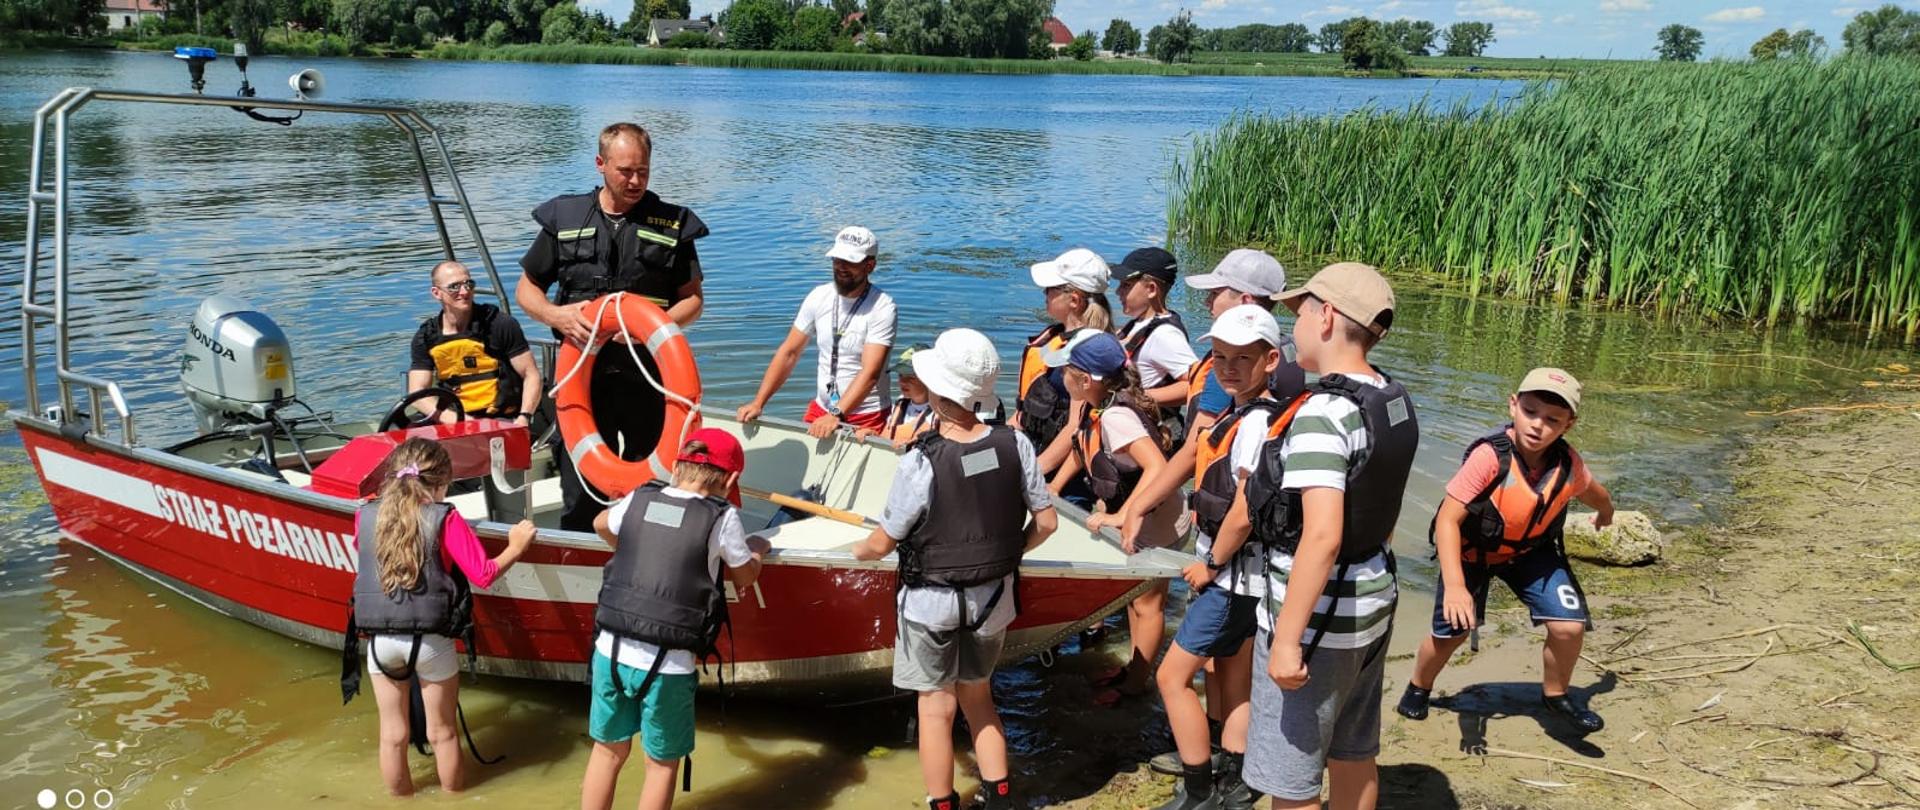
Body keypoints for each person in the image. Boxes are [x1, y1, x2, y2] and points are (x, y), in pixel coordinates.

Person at [852, 328, 1059, 810]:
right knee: (979, 699)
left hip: (931, 604)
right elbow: (1046, 522)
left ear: (938, 391)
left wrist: (856, 549)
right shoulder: (1016, 444)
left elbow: (884, 542)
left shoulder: (919, 461)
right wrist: (1008, 557)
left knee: (935, 708)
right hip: (993, 601)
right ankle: (1002, 798)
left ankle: (942, 803)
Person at [1245, 263, 1420, 810]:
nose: (1291, 328)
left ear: (1326, 317)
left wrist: (1288, 641)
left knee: (1291, 780)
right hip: (1372, 601)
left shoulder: (1324, 413)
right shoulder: (1391, 396)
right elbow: (1382, 504)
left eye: (1297, 315)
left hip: (1319, 624)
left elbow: (1321, 538)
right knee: (1353, 750)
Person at [1396, 368, 1616, 734]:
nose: (1537, 426)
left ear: (1568, 425)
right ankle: (1418, 687)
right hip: (1472, 555)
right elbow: (1448, 520)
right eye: (1530, 412)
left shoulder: (1567, 464)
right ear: (1513, 404)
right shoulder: (1489, 457)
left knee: (1568, 627)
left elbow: (1594, 490)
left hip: (1530, 552)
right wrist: (1455, 586)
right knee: (1452, 632)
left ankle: (1556, 694)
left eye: (1552, 420)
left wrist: (1606, 512)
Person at [515, 122, 710, 531]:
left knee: (655, 486)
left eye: (643, 170)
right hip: (580, 378)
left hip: (650, 377)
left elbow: (692, 301)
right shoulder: (564, 216)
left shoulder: (672, 223)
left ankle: (648, 565)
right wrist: (556, 315)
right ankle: (583, 561)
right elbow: (527, 290)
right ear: (600, 164)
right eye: (625, 171)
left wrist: (653, 327)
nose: (636, 180)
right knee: (580, 490)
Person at [1143, 306, 1294, 810]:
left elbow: (1246, 508)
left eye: (1242, 358)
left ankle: (1198, 788)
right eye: (1220, 356)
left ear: (1271, 360)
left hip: (1232, 579)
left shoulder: (1253, 424)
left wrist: (1210, 565)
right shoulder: (1244, 411)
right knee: (1232, 673)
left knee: (1171, 677)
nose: (1227, 368)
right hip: (1247, 580)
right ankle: (1237, 777)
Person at [582, 428, 770, 810]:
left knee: (607, 752)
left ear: (678, 465)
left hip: (610, 649)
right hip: (668, 663)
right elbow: (744, 575)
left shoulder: (641, 497)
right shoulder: (722, 517)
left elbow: (601, 523)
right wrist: (758, 551)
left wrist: (636, 545)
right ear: (731, 479)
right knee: (661, 765)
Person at [344, 438, 536, 796]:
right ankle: (454, 799)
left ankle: (401, 800)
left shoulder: (365, 514)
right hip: (430, 643)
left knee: (392, 734)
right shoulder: (446, 518)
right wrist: (517, 546)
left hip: (379, 644)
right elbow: (482, 574)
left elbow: (364, 552)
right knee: (442, 732)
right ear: (442, 482)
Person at [737, 226, 897, 439]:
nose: (841, 267)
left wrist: (836, 414)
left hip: (867, 415)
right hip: (822, 409)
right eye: (837, 259)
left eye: (850, 261)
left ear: (870, 265)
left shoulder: (883, 307)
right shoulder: (818, 296)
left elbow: (870, 372)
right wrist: (758, 402)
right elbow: (789, 352)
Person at [1013, 248, 1113, 477]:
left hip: (1061, 474)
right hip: (1033, 448)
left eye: (1050, 289)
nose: (1044, 293)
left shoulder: (1088, 352)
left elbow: (1075, 426)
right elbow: (1023, 410)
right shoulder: (1054, 338)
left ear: (1074, 300)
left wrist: (1033, 473)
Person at [408, 260, 541, 424]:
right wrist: (457, 420)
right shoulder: (426, 336)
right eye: (454, 287)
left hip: (499, 417)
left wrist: (524, 417)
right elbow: (417, 393)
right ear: (437, 293)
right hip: (453, 418)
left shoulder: (500, 324)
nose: (464, 291)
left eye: (468, 284)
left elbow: (531, 374)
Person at [1112, 247, 1197, 412]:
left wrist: (1137, 398)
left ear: (1151, 289)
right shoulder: (1140, 324)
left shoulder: (1165, 335)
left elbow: (1195, 383)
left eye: (1126, 285)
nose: (1117, 291)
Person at [854, 343, 936, 448]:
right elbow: (886, 437)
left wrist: (912, 444)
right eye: (900, 375)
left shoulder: (940, 412)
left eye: (910, 377)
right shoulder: (901, 403)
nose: (902, 382)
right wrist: (872, 436)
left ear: (928, 378)